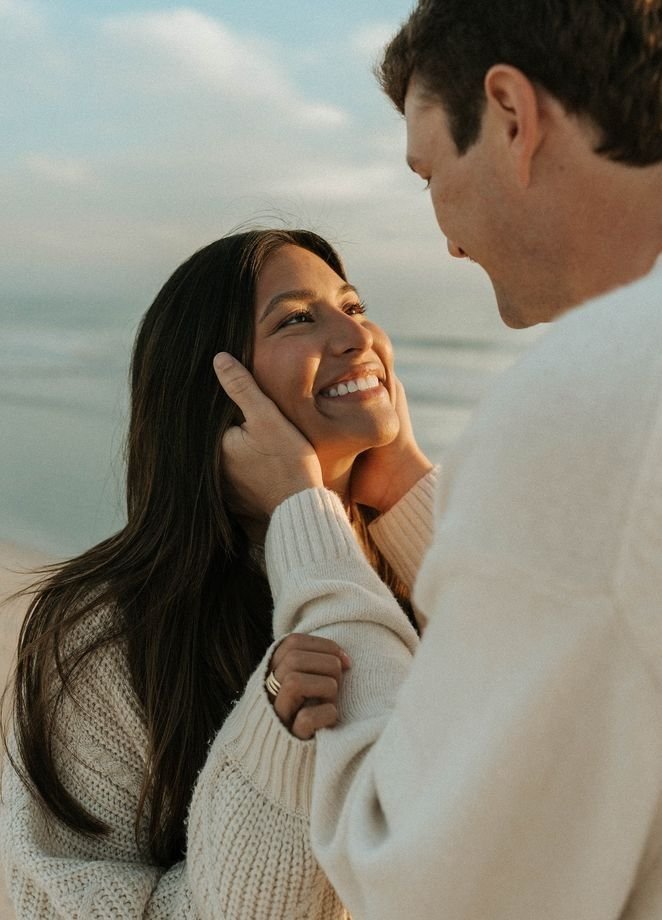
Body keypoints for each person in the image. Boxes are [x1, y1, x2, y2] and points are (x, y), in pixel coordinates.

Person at [212, 2, 662, 918]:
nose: (449, 240)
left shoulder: (592, 398)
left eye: (428, 173)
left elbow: (418, 876)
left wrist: (309, 523)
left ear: (509, 116)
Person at [0, 228, 435, 918]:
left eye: (352, 306)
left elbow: (572, 710)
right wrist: (270, 761)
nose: (357, 337)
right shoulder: (111, 628)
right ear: (215, 389)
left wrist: (409, 489)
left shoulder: (420, 574)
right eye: (298, 318)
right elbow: (54, 907)